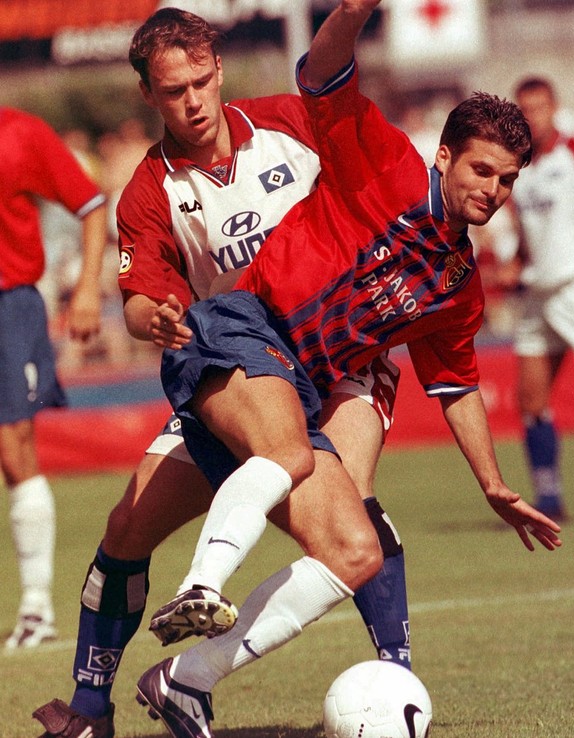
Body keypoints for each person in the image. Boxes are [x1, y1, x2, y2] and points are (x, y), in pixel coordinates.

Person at [125, 2, 561, 737]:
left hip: (309, 380)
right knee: (279, 458)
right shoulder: (382, 157)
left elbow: (455, 385)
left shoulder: (458, 282)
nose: (493, 189)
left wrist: (492, 482)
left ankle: (186, 680)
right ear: (445, 156)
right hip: (241, 325)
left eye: (508, 180)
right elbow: (323, 70)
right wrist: (354, 12)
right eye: (482, 169)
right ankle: (199, 586)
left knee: (356, 550)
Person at [32, 8, 409, 738]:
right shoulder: (150, 189)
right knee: (126, 528)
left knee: (352, 515)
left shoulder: (290, 124)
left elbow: (369, 174)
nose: (194, 102)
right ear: (149, 95)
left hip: (338, 362)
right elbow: (139, 300)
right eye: (174, 92)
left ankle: (395, 672)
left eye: (202, 82)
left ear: (220, 71)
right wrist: (157, 320)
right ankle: (91, 710)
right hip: (237, 371)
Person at [0, 108, 107, 651]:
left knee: (13, 448)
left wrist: (87, 288)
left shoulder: (21, 133)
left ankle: (36, 607)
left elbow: (90, 206)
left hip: (8, 307)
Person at [508, 76, 574, 520]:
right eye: (525, 108)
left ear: (554, 107)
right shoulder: (517, 167)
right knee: (530, 399)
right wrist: (515, 261)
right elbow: (525, 232)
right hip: (539, 289)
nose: (532, 115)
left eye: (539, 106)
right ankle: (550, 497)